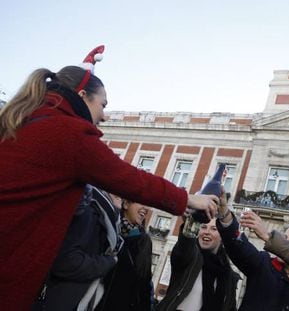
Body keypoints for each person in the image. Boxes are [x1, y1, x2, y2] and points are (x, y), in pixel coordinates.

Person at [0, 63, 218, 310]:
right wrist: (187, 199)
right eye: (103, 105)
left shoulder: (28, 118)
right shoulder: (69, 132)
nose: (104, 115)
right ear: (82, 96)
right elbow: (131, 179)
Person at [32, 186, 122, 311]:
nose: (122, 194)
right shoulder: (89, 211)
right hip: (58, 301)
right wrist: (108, 262)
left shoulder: (108, 219)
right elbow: (66, 262)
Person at [216, 196, 289, 311]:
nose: (284, 243)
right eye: (284, 238)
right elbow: (238, 246)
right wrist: (225, 214)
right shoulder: (264, 263)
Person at [156, 216, 240, 311]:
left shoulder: (228, 275)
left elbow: (230, 307)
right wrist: (193, 218)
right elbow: (185, 245)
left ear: (222, 236)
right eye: (203, 227)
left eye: (214, 229)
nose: (207, 232)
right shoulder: (189, 257)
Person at [97, 200, 154, 311]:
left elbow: (144, 286)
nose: (146, 208)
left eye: (147, 204)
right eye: (141, 201)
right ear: (126, 204)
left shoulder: (144, 242)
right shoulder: (106, 227)